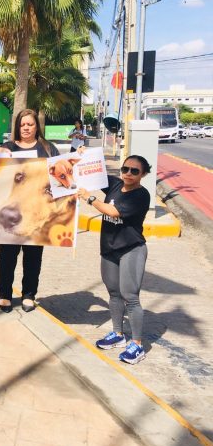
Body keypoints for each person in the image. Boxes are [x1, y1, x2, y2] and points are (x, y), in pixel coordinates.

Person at [78, 154, 151, 364]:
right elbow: (94, 173)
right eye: (125, 169)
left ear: (143, 174)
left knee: (131, 297)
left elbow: (113, 211)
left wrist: (90, 198)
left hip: (131, 249)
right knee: (114, 294)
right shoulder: (116, 185)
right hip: (109, 249)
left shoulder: (141, 195)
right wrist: (82, 156)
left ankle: (137, 345)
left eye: (134, 171)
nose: (128, 173)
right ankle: (118, 335)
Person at [0, 109, 60, 313]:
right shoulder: (8, 147)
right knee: (7, 256)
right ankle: (4, 294)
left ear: (37, 126)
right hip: (12, 211)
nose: (26, 128)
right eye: (23, 125)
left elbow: (63, 175)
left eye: (30, 124)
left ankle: (29, 294)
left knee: (33, 257)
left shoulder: (48, 149)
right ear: (17, 127)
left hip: (37, 214)